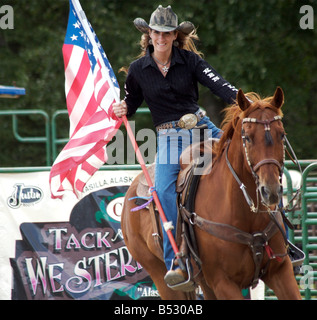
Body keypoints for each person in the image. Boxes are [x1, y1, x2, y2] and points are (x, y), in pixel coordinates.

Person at [112, 5, 239, 287]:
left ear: (175, 35)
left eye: (167, 33)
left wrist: (245, 102)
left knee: (247, 159)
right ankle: (176, 260)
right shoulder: (137, 70)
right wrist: (121, 108)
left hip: (203, 128)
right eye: (156, 32)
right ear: (149, 35)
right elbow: (131, 103)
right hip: (169, 137)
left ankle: (279, 244)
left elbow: (220, 85)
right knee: (165, 188)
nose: (161, 38)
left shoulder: (190, 61)